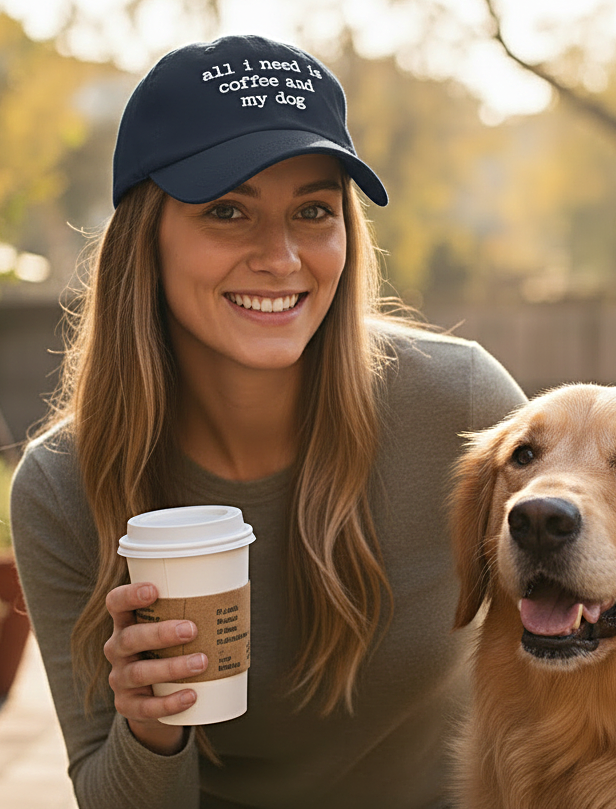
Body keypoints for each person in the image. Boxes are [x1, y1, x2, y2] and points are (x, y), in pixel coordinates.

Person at [10, 34, 526, 809]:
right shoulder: (62, 487)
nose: (281, 256)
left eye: (313, 210)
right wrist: (151, 725)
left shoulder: (461, 405)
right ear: (145, 239)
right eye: (228, 210)